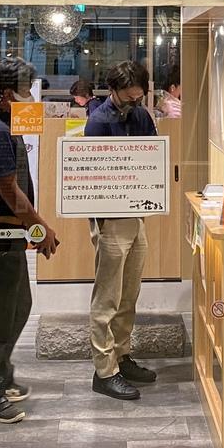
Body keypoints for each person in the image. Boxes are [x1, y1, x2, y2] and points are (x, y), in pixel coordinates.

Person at [85, 60, 159, 400]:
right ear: (113, 90)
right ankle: (104, 370)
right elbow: (95, 174)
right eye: (129, 97)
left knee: (129, 293)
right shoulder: (98, 121)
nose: (134, 102)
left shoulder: (141, 116)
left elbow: (152, 159)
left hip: (136, 214)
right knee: (108, 297)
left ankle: (122, 356)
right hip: (110, 217)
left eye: (138, 96)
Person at [0, 59, 41, 420]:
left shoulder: (9, 126)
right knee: (3, 314)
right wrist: (40, 227)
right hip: (0, 235)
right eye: (25, 91)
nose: (30, 97)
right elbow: (8, 190)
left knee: (18, 306)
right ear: (6, 94)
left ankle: (0, 374)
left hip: (12, 233)